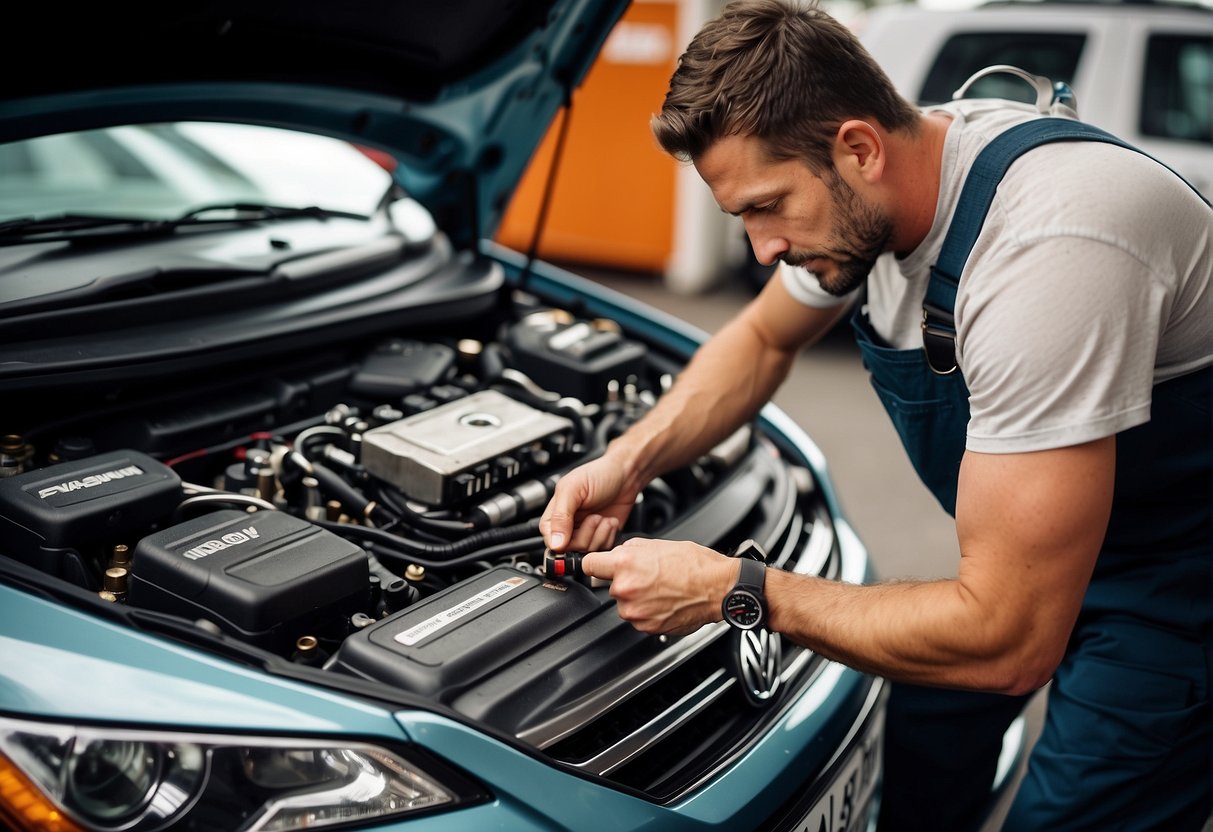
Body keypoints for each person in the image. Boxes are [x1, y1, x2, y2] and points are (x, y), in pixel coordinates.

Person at [539, 0, 1213, 829]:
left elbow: (1006, 639)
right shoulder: (878, 189)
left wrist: (739, 592)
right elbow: (758, 342)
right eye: (740, 216)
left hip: (1176, 586)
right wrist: (628, 461)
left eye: (765, 206)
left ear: (859, 147)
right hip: (1046, 542)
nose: (760, 249)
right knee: (913, 746)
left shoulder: (1048, 250)